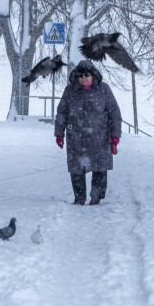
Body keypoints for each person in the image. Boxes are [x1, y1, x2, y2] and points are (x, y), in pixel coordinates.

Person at [55, 59, 122, 205]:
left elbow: (114, 113)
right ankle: (79, 198)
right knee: (76, 168)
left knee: (99, 167)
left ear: (93, 75)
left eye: (86, 75)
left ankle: (96, 198)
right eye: (80, 75)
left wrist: (115, 136)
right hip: (76, 138)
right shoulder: (70, 90)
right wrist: (59, 133)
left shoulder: (104, 90)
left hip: (100, 137)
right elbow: (62, 112)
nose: (83, 78)